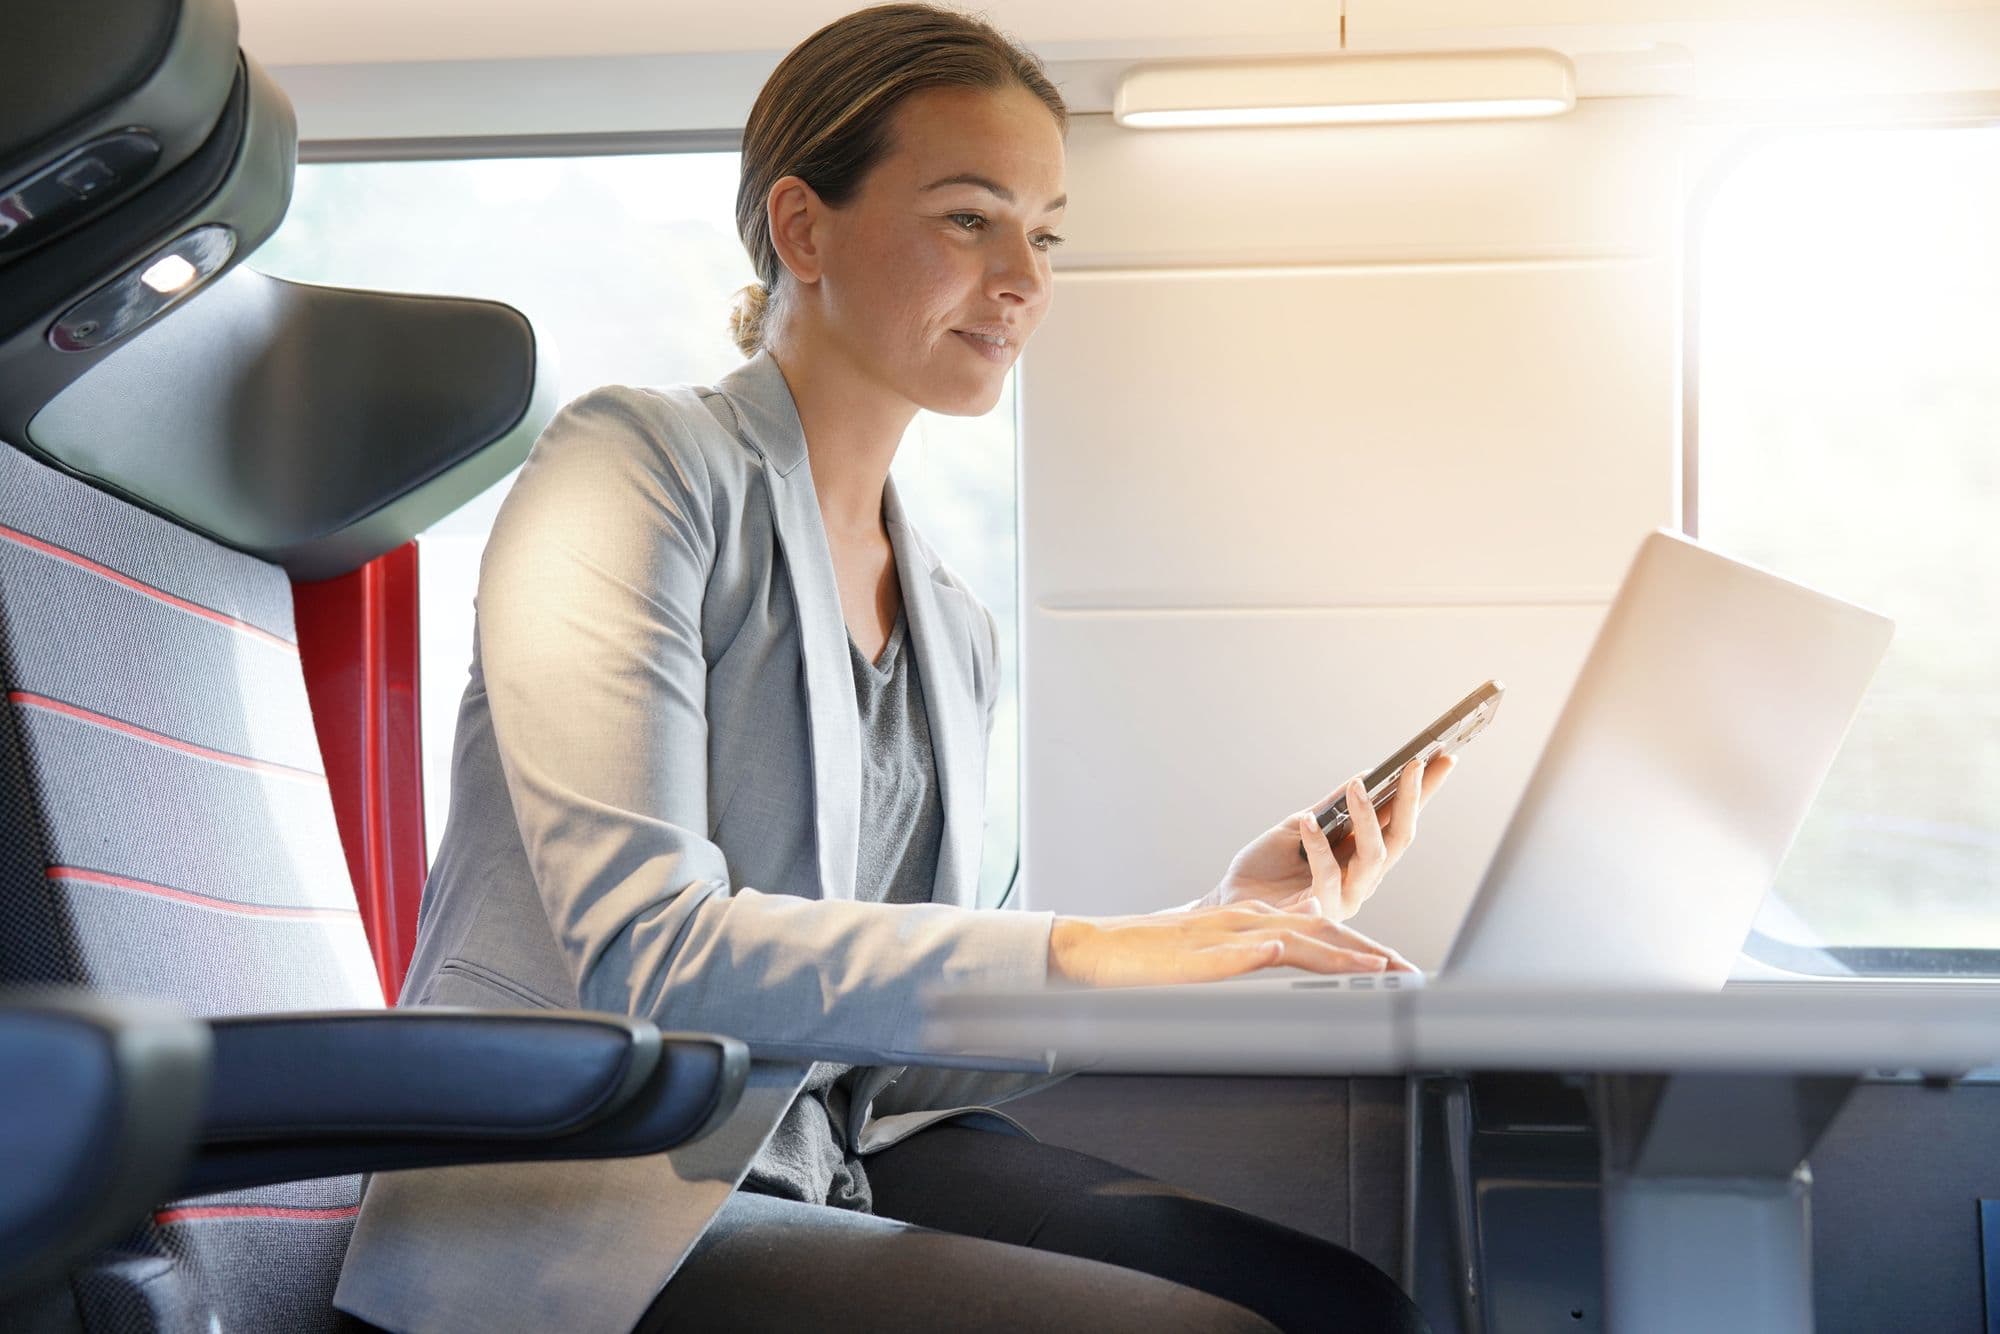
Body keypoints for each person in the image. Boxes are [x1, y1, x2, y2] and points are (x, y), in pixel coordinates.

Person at [335, 6, 1454, 1332]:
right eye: (971, 217)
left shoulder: (950, 619)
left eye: (1045, 232)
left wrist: (1214, 925)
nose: (1026, 276)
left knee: (1350, 1303)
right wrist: (1099, 951)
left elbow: (883, 1055)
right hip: (580, 1194)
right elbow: (654, 952)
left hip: (825, 1167)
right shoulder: (630, 473)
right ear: (803, 229)